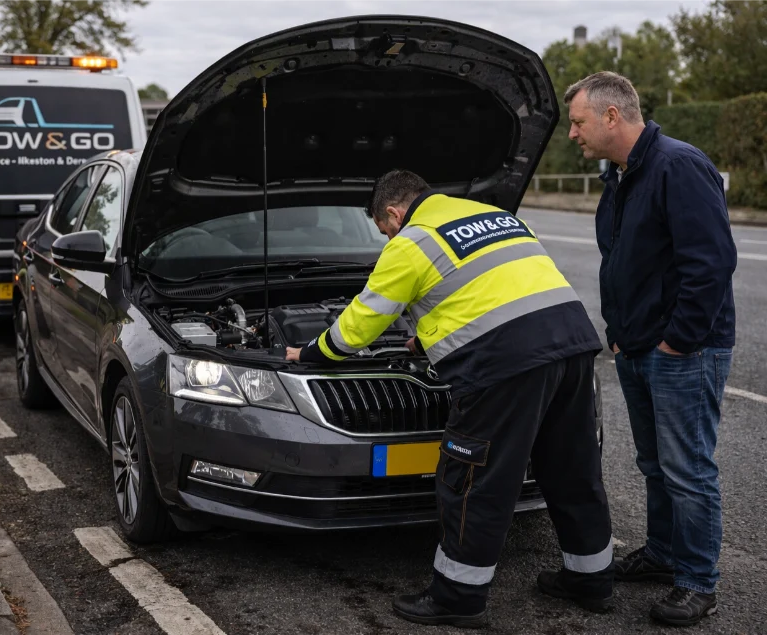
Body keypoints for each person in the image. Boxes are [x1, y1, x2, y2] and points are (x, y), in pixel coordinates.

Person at [285, 169, 614, 628]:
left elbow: (359, 325)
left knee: (473, 481)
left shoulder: (412, 241)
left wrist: (311, 351)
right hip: (572, 343)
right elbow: (493, 287)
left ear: (394, 214)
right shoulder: (493, 215)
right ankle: (591, 580)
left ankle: (459, 597)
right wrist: (429, 335)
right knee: (572, 467)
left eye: (384, 230)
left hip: (504, 366)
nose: (387, 238)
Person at [564, 71, 737, 627]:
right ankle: (663, 555)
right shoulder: (620, 175)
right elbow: (622, 260)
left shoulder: (677, 165)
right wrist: (620, 330)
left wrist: (678, 340)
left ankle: (696, 582)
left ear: (612, 116)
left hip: (684, 350)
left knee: (687, 470)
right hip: (637, 345)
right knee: (655, 465)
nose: (572, 134)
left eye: (578, 122)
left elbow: (709, 264)